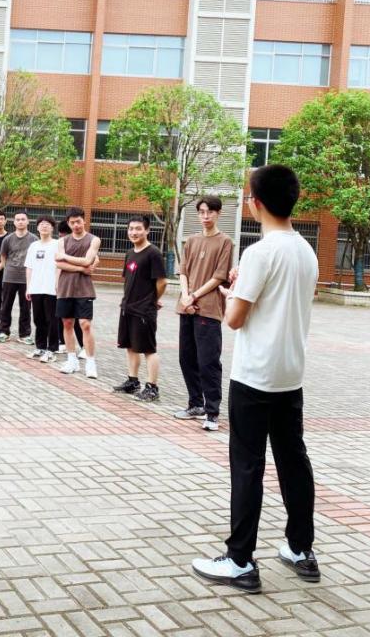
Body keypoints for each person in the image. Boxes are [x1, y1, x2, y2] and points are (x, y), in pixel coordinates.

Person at [191, 165, 319, 594]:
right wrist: (242, 289)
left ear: (256, 203)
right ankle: (301, 549)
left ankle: (240, 560)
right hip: (290, 375)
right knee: (293, 462)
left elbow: (234, 319)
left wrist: (232, 294)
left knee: (247, 466)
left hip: (254, 377)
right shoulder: (306, 251)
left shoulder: (259, 253)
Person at [174, 196, 233, 431]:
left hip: (208, 309)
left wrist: (194, 296)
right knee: (186, 358)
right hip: (186, 307)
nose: (205, 216)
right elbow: (183, 272)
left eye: (210, 212)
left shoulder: (225, 242)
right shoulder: (191, 240)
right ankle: (196, 404)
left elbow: (219, 276)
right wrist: (185, 297)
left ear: (218, 213)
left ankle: (212, 412)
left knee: (208, 362)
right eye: (201, 212)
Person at [112, 216, 167, 401]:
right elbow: (128, 280)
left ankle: (152, 387)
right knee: (130, 346)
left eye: (138, 229)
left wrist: (153, 300)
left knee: (148, 349)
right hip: (127, 307)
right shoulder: (130, 253)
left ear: (147, 230)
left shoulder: (153, 253)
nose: (134, 232)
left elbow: (162, 282)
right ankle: (133, 381)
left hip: (144, 310)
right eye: (131, 229)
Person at [55, 207, 102, 379]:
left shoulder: (93, 239)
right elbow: (58, 263)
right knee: (67, 323)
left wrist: (65, 257)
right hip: (65, 287)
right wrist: (81, 268)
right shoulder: (62, 241)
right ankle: (71, 360)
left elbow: (88, 260)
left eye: (78, 221)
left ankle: (90, 362)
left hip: (84, 288)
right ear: (68, 223)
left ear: (84, 221)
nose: (76, 225)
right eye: (72, 222)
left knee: (85, 324)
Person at [24, 216, 59, 362]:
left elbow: (60, 266)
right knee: (38, 319)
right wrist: (28, 287)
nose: (44, 226)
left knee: (52, 320)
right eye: (42, 224)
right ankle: (40, 347)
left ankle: (52, 349)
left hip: (51, 289)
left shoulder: (57, 244)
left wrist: (58, 284)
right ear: (37, 228)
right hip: (36, 288)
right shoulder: (34, 246)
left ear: (52, 228)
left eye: (47, 224)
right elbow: (29, 267)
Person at [0, 212, 34, 344]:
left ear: (28, 221)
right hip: (9, 277)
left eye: (23, 219)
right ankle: (3, 332)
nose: (20, 222)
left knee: (26, 307)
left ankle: (24, 334)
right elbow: (3, 256)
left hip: (26, 278)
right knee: (6, 305)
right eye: (18, 219)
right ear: (14, 222)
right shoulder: (8, 239)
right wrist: (9, 268)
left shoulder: (34, 239)